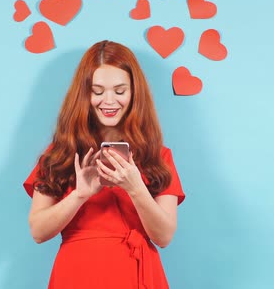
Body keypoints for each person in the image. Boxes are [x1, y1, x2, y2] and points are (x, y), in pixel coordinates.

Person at [23, 40, 185, 288]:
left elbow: (164, 236)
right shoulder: (59, 154)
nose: (108, 101)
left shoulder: (158, 156)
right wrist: (79, 195)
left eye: (120, 91)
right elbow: (38, 231)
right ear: (84, 94)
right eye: (97, 91)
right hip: (76, 275)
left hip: (137, 275)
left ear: (134, 94)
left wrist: (135, 188)